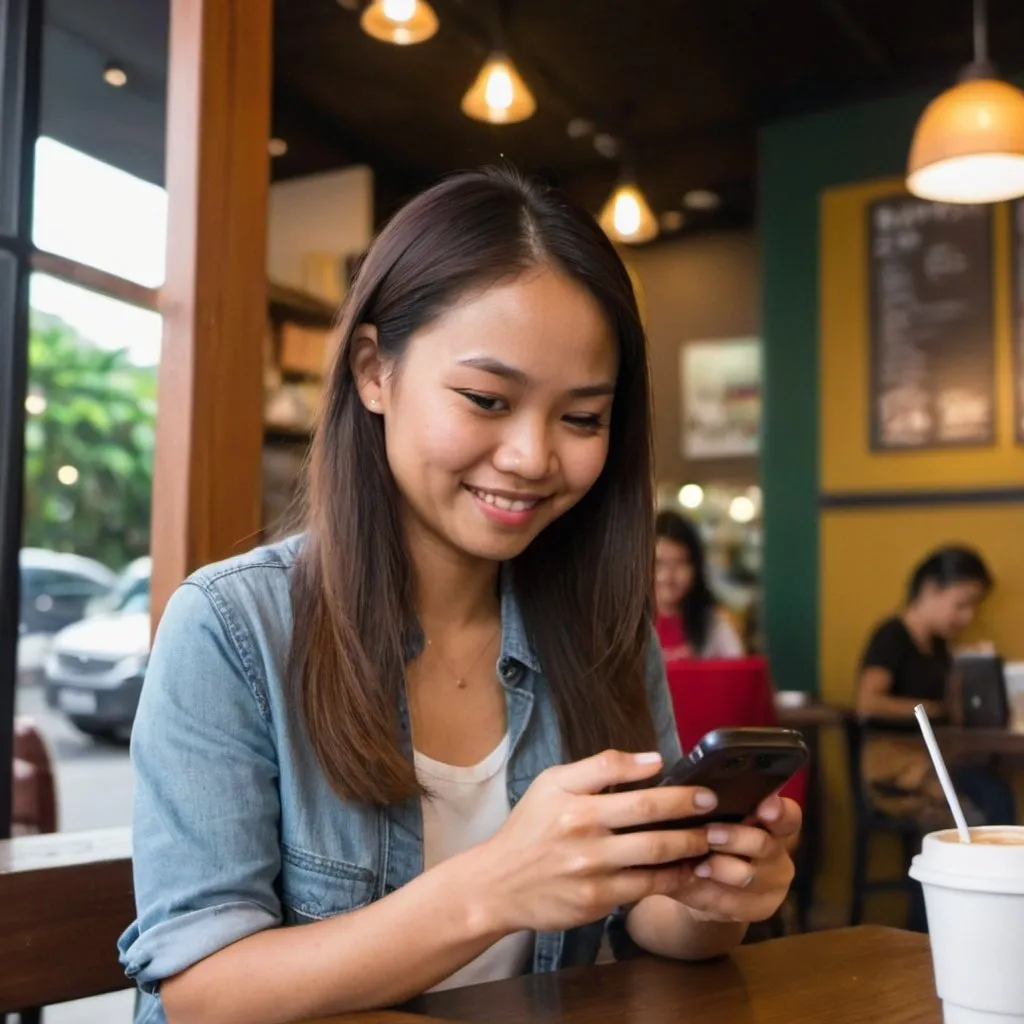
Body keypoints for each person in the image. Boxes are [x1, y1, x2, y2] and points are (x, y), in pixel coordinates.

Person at [118, 168, 801, 1024]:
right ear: (374, 370)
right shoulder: (231, 628)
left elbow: (648, 915)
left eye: (582, 418)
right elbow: (203, 992)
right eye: (487, 399)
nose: (531, 456)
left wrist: (712, 894)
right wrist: (494, 888)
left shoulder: (601, 633)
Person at [856, 545, 1016, 929]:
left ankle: (991, 919)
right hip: (896, 768)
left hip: (935, 763)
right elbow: (867, 702)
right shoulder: (892, 636)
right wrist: (932, 708)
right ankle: (935, 929)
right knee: (964, 819)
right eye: (962, 603)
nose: (968, 616)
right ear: (930, 590)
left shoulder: (941, 647)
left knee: (996, 795)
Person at [654, 510, 745, 663]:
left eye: (680, 563)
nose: (667, 576)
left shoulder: (715, 626)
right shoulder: (623, 629)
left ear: (696, 568)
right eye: (658, 564)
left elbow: (739, 676)